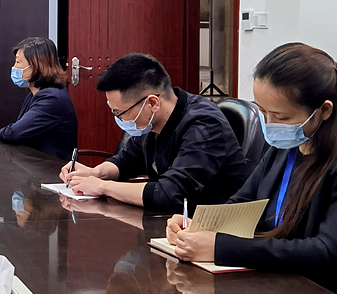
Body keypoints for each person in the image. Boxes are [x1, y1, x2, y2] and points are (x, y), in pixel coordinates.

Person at [166, 43, 337, 294]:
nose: (269, 125)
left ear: (324, 111)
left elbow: (325, 252)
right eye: (263, 112)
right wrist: (196, 226)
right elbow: (241, 205)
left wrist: (219, 247)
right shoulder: (286, 146)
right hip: (276, 286)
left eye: (281, 117)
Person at [60, 53, 248, 213]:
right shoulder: (151, 122)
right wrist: (96, 173)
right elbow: (127, 161)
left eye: (120, 113)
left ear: (152, 103)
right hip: (171, 221)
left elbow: (171, 193)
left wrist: (103, 187)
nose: (119, 119)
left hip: (213, 226)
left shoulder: (205, 124)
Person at [0, 37, 77, 161]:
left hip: (51, 167)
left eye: (18, 62)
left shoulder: (52, 98)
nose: (14, 67)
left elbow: (15, 133)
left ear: (36, 65)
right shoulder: (35, 93)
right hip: (34, 161)